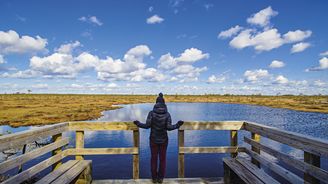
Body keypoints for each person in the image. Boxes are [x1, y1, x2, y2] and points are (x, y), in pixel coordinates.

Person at [134, 93, 184, 183]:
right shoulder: (167, 114)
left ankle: (154, 178)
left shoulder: (151, 113)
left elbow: (147, 126)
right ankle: (160, 179)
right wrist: (177, 125)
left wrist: (138, 124)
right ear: (164, 103)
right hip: (164, 140)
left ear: (156, 103)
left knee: (153, 159)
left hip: (153, 139)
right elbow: (169, 127)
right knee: (163, 159)